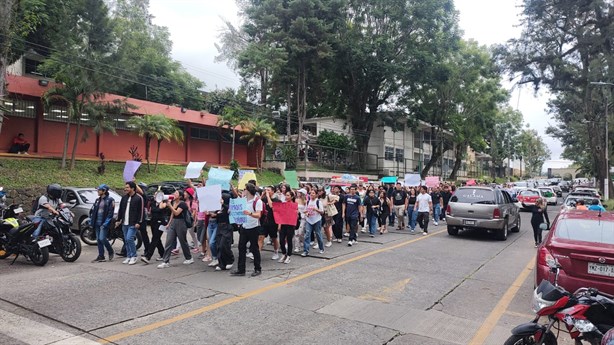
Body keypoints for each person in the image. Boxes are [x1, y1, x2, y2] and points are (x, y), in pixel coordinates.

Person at [231, 183, 263, 277]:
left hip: (253, 227)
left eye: (244, 189)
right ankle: (241, 269)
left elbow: (258, 215)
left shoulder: (257, 201)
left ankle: (257, 268)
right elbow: (236, 204)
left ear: (248, 190)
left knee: (254, 248)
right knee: (241, 247)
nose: (243, 190)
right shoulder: (244, 200)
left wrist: (250, 213)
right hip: (244, 227)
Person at [157, 189, 194, 268]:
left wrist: (169, 205)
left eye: (176, 193)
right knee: (168, 241)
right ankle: (165, 261)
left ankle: (189, 257)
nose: (174, 194)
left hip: (181, 223)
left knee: (182, 241)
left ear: (180, 196)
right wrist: (169, 224)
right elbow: (172, 214)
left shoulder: (182, 204)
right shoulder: (174, 202)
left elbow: (177, 213)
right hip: (173, 222)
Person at [115, 182, 145, 265]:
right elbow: (121, 210)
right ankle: (128, 256)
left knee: (129, 238)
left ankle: (134, 256)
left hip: (133, 223)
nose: (125, 189)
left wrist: (139, 222)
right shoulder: (124, 198)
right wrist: (118, 220)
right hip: (125, 222)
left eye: (127, 187)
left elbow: (141, 212)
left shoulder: (139, 198)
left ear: (133, 188)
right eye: (125, 187)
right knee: (126, 240)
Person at [141, 189, 170, 264]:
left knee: (154, 239)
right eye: (155, 194)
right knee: (157, 239)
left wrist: (161, 201)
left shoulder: (165, 203)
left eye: (157, 195)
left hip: (161, 222)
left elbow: (160, 208)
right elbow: (153, 210)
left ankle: (148, 256)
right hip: (153, 222)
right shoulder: (153, 203)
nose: (155, 196)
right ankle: (163, 254)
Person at [90, 184, 115, 263]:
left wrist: (105, 223)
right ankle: (101, 256)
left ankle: (110, 251)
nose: (98, 191)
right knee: (98, 240)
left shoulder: (110, 200)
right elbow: (94, 211)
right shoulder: (98, 200)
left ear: (104, 191)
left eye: (99, 190)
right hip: (97, 223)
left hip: (104, 223)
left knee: (102, 238)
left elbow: (110, 213)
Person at [214, 191, 234, 271]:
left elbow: (229, 211)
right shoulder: (219, 207)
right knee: (218, 245)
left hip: (227, 226)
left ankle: (230, 260)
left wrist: (223, 204)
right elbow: (216, 215)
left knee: (224, 245)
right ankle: (221, 263)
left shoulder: (228, 207)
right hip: (219, 226)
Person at [302, 189, 325, 256]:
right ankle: (306, 251)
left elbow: (322, 212)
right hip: (309, 220)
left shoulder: (318, 202)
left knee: (318, 234)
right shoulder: (308, 202)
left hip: (317, 220)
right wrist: (306, 214)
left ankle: (321, 248)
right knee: (307, 234)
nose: (311, 195)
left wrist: (316, 210)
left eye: (313, 193)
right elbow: (305, 210)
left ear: (316, 194)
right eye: (310, 193)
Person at [277, 190, 295, 264]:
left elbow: (295, 216)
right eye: (286, 195)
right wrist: (279, 224)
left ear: (292, 197)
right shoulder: (283, 204)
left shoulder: (294, 205)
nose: (286, 197)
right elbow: (281, 215)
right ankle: (284, 254)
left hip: (290, 225)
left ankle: (289, 256)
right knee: (281, 240)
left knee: (289, 240)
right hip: (283, 224)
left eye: (288, 195)